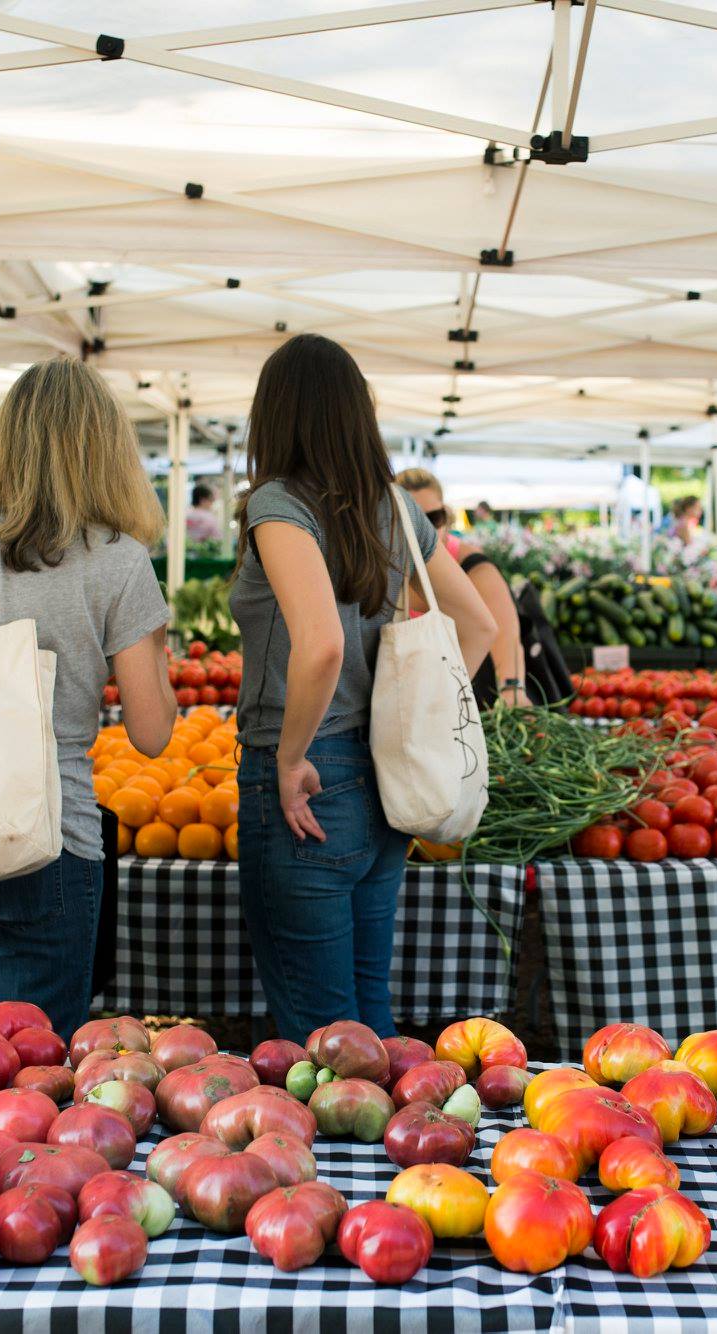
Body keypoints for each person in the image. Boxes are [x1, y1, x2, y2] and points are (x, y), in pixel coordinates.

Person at [0, 357, 175, 1036]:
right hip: (47, 835)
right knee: (31, 1076)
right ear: (105, 448)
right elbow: (153, 734)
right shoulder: (119, 559)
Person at [231, 334, 495, 1040]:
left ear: (275, 415)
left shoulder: (278, 504)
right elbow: (480, 624)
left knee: (320, 1035)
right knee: (365, 1019)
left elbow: (321, 645)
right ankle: (399, 1152)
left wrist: (289, 761)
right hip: (381, 783)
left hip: (309, 783)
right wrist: (408, 723)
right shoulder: (397, 507)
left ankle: (350, 1147)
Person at [396, 468, 527, 709]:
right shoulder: (390, 566)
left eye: (433, 518)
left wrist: (511, 688)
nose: (424, 530)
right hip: (409, 700)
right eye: (412, 520)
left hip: (474, 702)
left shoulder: (474, 566)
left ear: (446, 516)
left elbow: (505, 633)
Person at [668, 495, 712, 564]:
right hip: (683, 559)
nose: (701, 511)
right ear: (688, 509)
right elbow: (688, 545)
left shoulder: (687, 522)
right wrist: (701, 550)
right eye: (698, 508)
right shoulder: (683, 524)